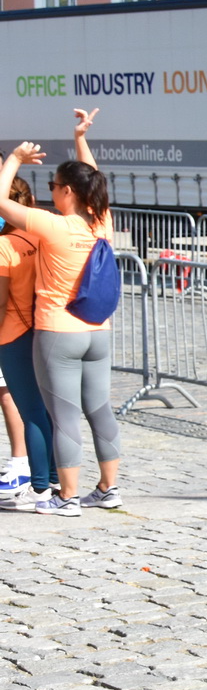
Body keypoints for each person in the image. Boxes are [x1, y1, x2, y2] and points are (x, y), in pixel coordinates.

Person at [0, 108, 126, 516]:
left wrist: (15, 158)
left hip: (58, 332)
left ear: (67, 192)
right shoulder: (102, 222)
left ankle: (66, 496)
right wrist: (80, 138)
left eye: (54, 185)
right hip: (98, 330)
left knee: (65, 415)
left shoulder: (51, 225)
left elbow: (0, 203)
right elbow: (93, 176)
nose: (52, 190)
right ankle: (109, 488)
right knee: (99, 409)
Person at [0, 175, 54, 508]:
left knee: (30, 412)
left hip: (12, 335)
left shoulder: (4, 245)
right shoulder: (39, 236)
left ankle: (38, 486)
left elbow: (1, 300)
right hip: (43, 330)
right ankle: (55, 479)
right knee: (48, 412)